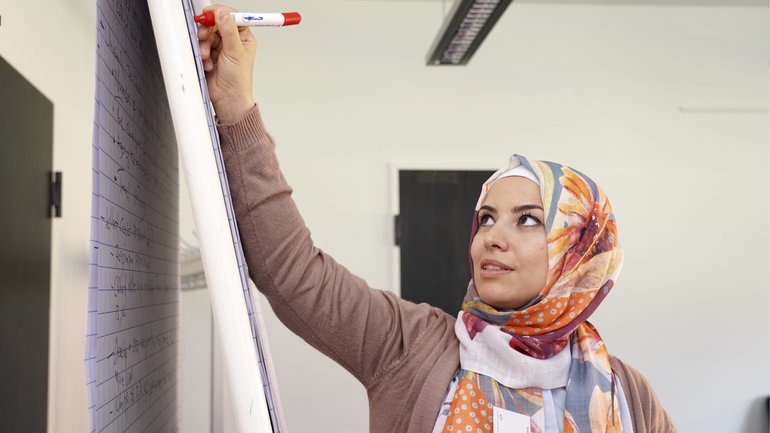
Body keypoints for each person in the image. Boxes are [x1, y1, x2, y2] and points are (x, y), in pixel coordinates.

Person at [198, 5, 677, 433]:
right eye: (486, 219)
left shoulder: (627, 396)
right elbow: (291, 271)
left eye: (528, 220)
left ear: (581, 255)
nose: (491, 237)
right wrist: (237, 110)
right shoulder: (409, 346)